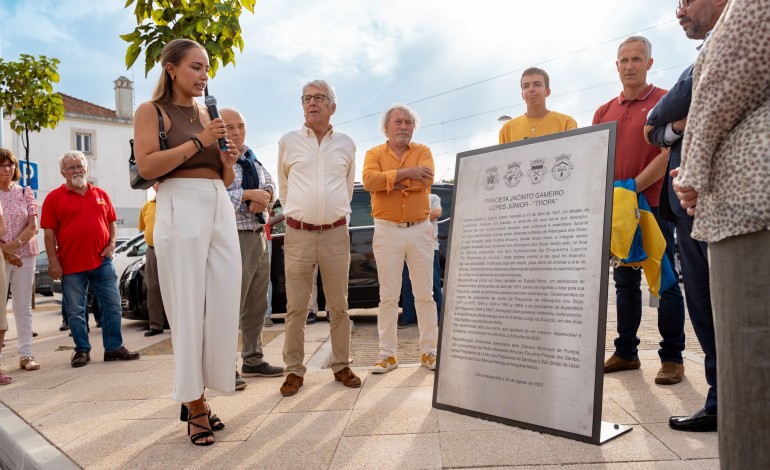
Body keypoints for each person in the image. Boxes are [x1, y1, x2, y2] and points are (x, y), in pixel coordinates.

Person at [674, 0, 770, 466]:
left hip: (750, 207)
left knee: (750, 355)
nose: (679, 11)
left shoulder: (751, 8)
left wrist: (690, 176)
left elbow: (713, 97)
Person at [132, 38, 241, 446]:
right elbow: (147, 165)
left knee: (222, 303)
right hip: (179, 204)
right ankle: (194, 405)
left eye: (207, 68)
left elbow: (223, 178)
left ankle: (206, 390)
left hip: (217, 204)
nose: (204, 75)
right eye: (196, 67)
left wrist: (227, 162)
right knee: (189, 305)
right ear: (172, 68)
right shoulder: (152, 111)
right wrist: (200, 140)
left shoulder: (206, 113)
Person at [643, 0, 727, 433]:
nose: (679, 12)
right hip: (687, 208)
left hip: (721, 200)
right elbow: (654, 127)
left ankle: (733, 400)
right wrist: (679, 126)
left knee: (729, 305)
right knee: (703, 301)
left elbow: (658, 114)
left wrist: (671, 122)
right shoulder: (699, 56)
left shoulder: (731, 41)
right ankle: (720, 398)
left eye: (686, 1)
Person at [593, 37, 686, 385]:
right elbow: (598, 155)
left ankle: (673, 357)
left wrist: (633, 186)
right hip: (619, 210)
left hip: (655, 204)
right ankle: (626, 352)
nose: (629, 65)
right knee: (625, 282)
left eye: (636, 59)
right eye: (623, 60)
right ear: (616, 66)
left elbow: (668, 154)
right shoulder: (603, 111)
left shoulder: (666, 100)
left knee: (664, 282)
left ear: (649, 63)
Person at [277, 79, 361, 396]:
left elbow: (348, 187)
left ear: (332, 107)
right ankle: (294, 371)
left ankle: (341, 365)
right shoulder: (288, 142)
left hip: (336, 234)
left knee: (339, 305)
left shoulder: (347, 144)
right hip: (298, 233)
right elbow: (285, 190)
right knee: (297, 308)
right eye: (307, 98)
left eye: (319, 98)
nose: (312, 103)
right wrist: (301, 213)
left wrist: (331, 215)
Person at [41, 151, 140, 370]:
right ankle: (81, 350)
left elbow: (111, 222)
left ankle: (114, 348)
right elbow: (49, 234)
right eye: (71, 167)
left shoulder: (101, 194)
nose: (76, 170)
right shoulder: (53, 198)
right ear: (62, 173)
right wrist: (53, 261)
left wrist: (112, 244)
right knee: (76, 310)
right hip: (70, 264)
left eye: (80, 166)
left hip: (101, 261)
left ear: (86, 168)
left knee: (113, 306)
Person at [362, 104, 439, 374]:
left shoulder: (423, 152)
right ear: (386, 127)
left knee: (425, 295)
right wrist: (407, 174)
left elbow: (427, 179)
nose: (403, 127)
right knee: (388, 296)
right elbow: (369, 181)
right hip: (386, 230)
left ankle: (429, 352)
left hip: (420, 229)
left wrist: (389, 183)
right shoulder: (374, 153)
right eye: (398, 122)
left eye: (408, 122)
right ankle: (388, 355)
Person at [221, 107, 284, 383]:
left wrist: (265, 195)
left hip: (259, 234)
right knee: (231, 304)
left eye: (241, 126)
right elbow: (215, 194)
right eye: (230, 127)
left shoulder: (251, 156)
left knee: (258, 302)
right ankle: (223, 365)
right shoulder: (215, 157)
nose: (236, 132)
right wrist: (247, 195)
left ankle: (253, 358)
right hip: (233, 236)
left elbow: (271, 185)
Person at [0, 148, 41, 371]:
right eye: (2, 165)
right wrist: (5, 252)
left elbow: (33, 226)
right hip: (0, 256)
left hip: (25, 254)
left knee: (23, 306)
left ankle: (26, 354)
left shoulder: (25, 191)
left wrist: (14, 246)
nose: (7, 168)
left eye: (11, 164)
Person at [498, 67, 577, 144]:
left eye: (537, 84)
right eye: (526, 86)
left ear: (547, 92)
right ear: (522, 95)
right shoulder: (507, 130)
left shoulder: (566, 123)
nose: (531, 89)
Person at [398, 192, 443, 328]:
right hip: (407, 246)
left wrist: (414, 219)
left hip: (428, 245)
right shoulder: (405, 197)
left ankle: (437, 317)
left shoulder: (433, 197)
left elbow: (436, 213)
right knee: (407, 283)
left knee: (433, 283)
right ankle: (408, 316)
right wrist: (421, 218)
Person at [138, 182, 167, 337]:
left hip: (172, 250)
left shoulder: (174, 203)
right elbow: (144, 228)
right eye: (155, 182)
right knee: (153, 287)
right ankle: (156, 325)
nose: (158, 185)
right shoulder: (147, 206)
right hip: (152, 250)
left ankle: (179, 324)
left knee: (176, 287)